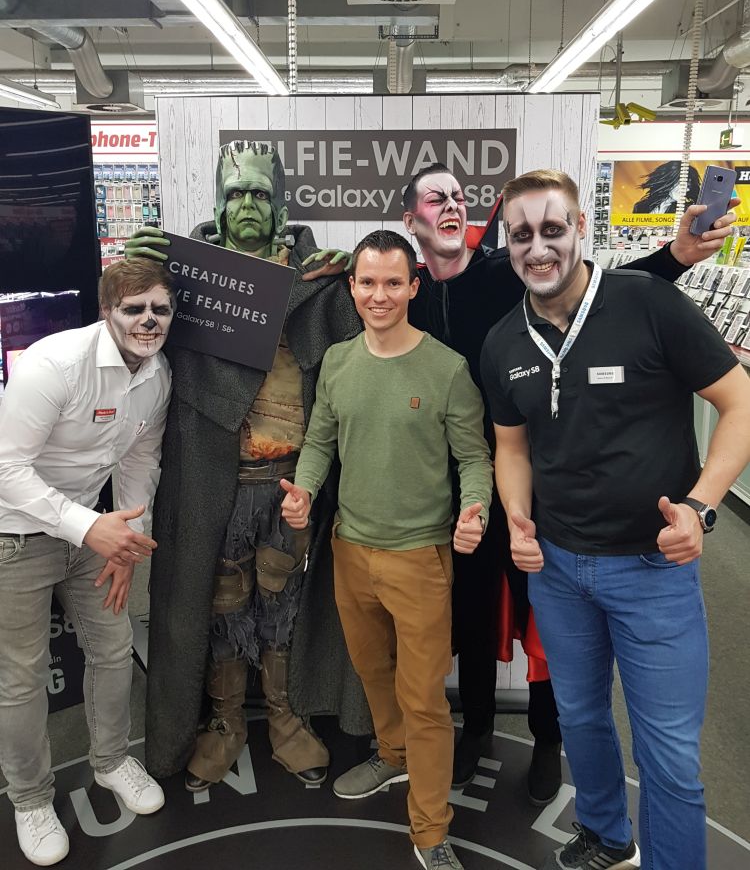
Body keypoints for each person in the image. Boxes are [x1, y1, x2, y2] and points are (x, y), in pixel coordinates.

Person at [310, 160, 735, 803]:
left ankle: (546, 740)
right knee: (473, 615)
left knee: (543, 621)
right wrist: (318, 272)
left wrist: (674, 257)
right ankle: (477, 729)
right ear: (410, 220)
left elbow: (599, 292)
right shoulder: (404, 288)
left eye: (459, 196)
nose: (451, 206)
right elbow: (358, 322)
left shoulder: (505, 273)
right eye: (435, 199)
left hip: (529, 478)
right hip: (451, 493)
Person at [479, 168, 750, 870]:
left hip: (653, 570)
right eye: (521, 235)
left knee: (669, 754)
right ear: (507, 244)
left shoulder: (647, 302)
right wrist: (517, 517)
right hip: (558, 570)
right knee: (580, 717)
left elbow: (740, 402)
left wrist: (701, 506)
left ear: (580, 228)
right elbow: (512, 447)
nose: (538, 248)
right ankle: (605, 833)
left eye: (553, 229)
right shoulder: (504, 342)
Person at [125, 140, 371, 792]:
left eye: (261, 193)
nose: (248, 205)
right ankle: (225, 720)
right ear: (217, 205)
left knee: (283, 601)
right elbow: (130, 345)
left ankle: (286, 719)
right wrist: (136, 273)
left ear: (282, 206)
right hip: (214, 479)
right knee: (220, 601)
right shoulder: (183, 283)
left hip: (291, 480)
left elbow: (364, 357)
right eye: (236, 194)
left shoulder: (316, 285)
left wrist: (354, 277)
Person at [282, 229, 492, 870]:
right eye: (368, 282)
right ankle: (393, 756)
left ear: (412, 287)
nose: (380, 295)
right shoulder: (338, 362)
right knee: (373, 673)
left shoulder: (447, 369)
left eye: (393, 283)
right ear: (352, 287)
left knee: (424, 700)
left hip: (420, 559)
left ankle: (430, 831)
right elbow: (319, 442)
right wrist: (304, 492)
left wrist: (476, 509)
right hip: (350, 551)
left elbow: (474, 457)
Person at [0, 258, 175, 868]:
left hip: (94, 531)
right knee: (20, 677)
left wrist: (128, 540)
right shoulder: (54, 365)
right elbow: (5, 469)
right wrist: (89, 526)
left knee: (113, 646)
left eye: (160, 309)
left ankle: (111, 760)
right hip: (15, 534)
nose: (148, 321)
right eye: (134, 309)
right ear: (106, 312)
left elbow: (140, 461)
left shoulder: (158, 375)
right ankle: (30, 799)